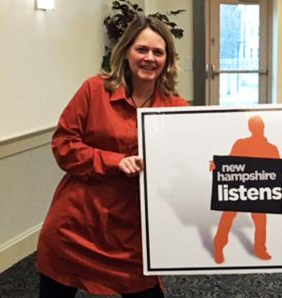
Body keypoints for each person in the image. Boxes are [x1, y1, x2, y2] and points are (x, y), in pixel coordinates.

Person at [37, 16, 188, 297]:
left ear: (167, 59)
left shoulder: (176, 106)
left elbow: (192, 155)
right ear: (126, 51)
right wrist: (114, 161)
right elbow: (63, 145)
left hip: (132, 235)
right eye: (141, 49)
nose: (149, 58)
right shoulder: (94, 90)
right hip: (77, 226)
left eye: (158, 51)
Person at [212, 115, 282, 264]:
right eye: (254, 126)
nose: (257, 129)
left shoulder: (271, 148)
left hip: (258, 190)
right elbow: (229, 164)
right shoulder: (240, 144)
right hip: (239, 188)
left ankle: (260, 249)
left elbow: (277, 170)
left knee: (261, 220)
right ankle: (219, 246)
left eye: (259, 126)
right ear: (250, 128)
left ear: (263, 127)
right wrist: (217, 165)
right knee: (228, 215)